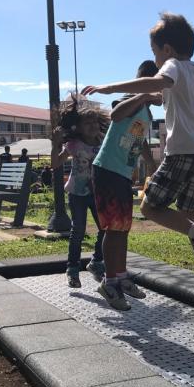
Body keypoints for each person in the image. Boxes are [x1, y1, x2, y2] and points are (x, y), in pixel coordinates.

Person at [82, 12, 194, 300]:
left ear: (167, 50)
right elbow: (173, 96)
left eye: (155, 53)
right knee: (186, 214)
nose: (157, 59)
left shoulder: (173, 66)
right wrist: (159, 98)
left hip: (182, 153)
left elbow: (159, 82)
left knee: (149, 207)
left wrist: (109, 88)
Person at [90, 60, 161, 310]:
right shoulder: (131, 101)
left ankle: (120, 275)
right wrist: (144, 94)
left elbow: (138, 138)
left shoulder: (146, 111)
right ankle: (109, 282)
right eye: (160, 85)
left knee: (123, 227)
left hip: (121, 173)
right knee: (112, 227)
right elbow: (116, 114)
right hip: (107, 169)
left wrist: (150, 164)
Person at [56, 103, 107, 288]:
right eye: (87, 122)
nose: (92, 125)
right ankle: (72, 269)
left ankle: (96, 261)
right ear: (78, 127)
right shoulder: (74, 145)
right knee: (78, 230)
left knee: (105, 228)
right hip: (78, 193)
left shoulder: (103, 140)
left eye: (94, 121)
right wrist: (56, 143)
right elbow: (55, 163)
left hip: (98, 192)